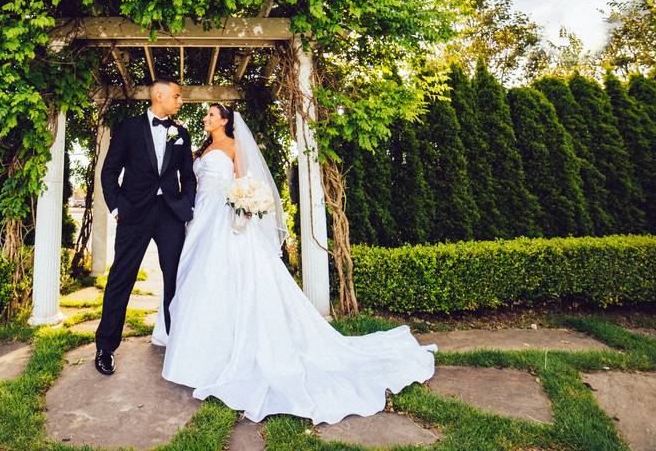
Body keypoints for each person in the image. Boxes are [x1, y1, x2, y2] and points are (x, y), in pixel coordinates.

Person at [151, 103, 438, 424]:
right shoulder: (203, 148)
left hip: (225, 220)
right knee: (198, 280)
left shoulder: (233, 147)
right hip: (201, 219)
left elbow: (244, 183)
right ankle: (196, 350)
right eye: (206, 116)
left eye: (211, 116)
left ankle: (226, 352)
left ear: (226, 121)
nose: (206, 119)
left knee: (223, 278)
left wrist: (244, 209)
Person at [94, 76, 196, 375]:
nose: (181, 100)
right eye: (177, 96)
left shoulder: (181, 133)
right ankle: (105, 347)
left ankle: (176, 343)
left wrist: (187, 206)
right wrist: (116, 208)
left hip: (169, 215)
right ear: (160, 96)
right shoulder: (128, 128)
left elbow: (188, 175)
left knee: (175, 278)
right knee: (121, 278)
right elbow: (109, 171)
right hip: (133, 214)